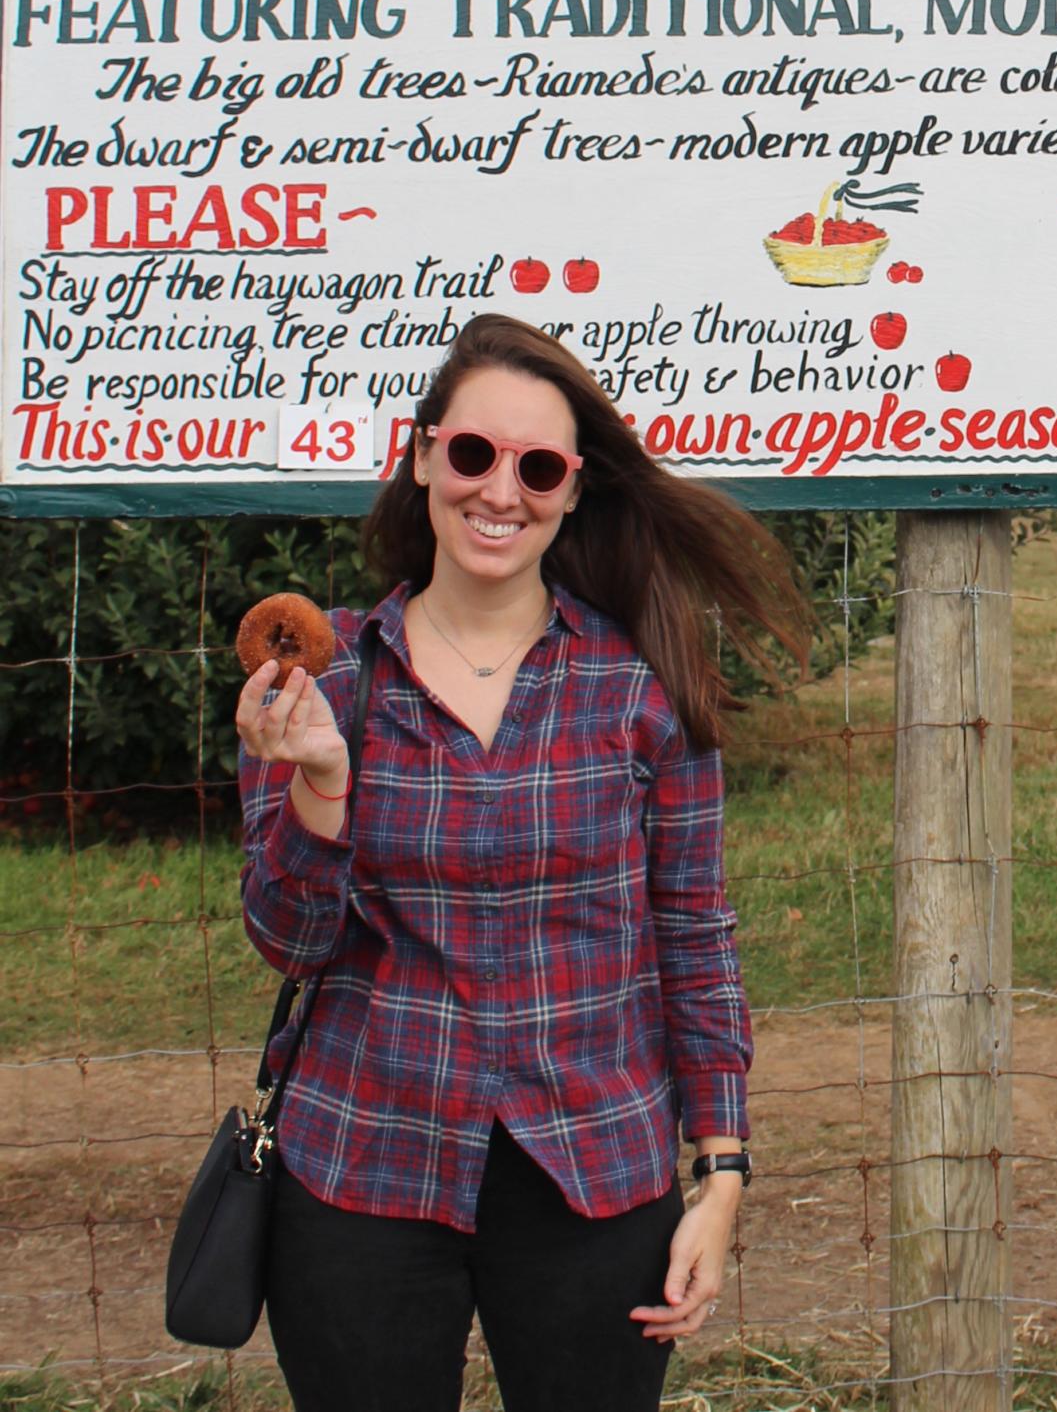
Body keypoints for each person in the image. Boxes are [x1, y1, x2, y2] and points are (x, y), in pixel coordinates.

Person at [235, 312, 808, 1412]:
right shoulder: (326, 678)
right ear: (422, 455)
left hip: (596, 1170)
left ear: (574, 488)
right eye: (474, 454)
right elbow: (289, 939)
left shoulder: (641, 685)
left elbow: (695, 933)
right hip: (365, 1163)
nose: (501, 489)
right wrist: (318, 781)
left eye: (537, 465)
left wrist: (723, 1172)